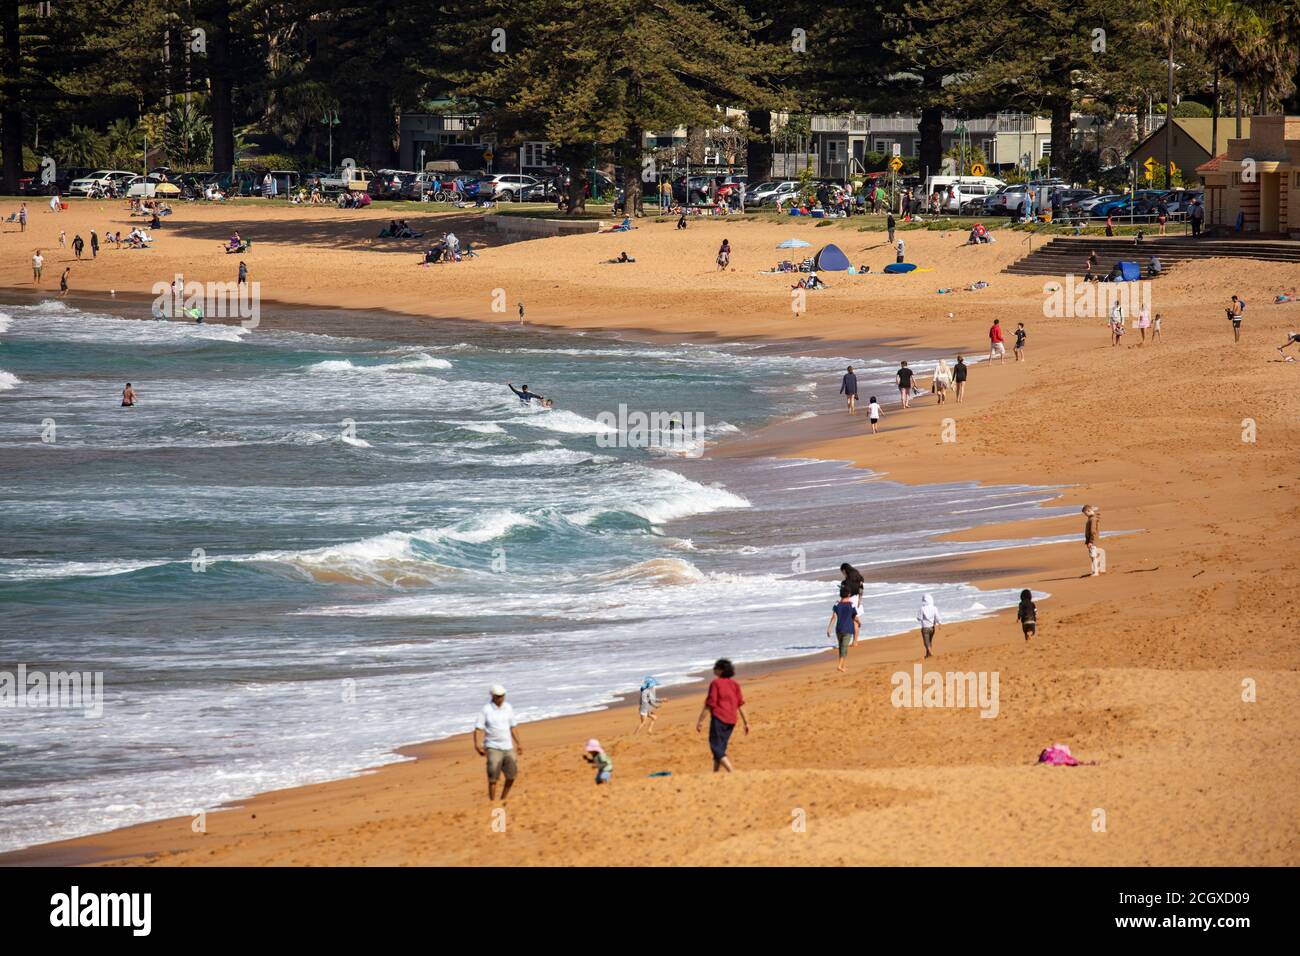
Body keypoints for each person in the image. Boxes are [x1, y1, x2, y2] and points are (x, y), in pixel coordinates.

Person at [696, 658, 748, 772]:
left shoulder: (715, 683)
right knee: (721, 747)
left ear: (721, 670)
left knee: (715, 746)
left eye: (716, 667)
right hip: (731, 720)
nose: (713, 669)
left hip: (719, 719)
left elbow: (710, 703)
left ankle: (731, 770)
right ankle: (715, 773)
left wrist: (700, 721)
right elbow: (740, 704)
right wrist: (746, 722)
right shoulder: (735, 684)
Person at [473, 684, 522, 801]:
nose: (501, 698)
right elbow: (478, 729)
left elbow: (513, 727)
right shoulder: (486, 710)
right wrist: (477, 745)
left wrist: (519, 743)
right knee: (493, 776)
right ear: (493, 696)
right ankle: (492, 801)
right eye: (498, 696)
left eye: (502, 696)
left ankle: (503, 798)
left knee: (512, 775)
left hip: (508, 746)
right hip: (492, 746)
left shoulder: (508, 707)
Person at [826, 583, 860, 673]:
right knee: (844, 648)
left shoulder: (837, 604)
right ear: (849, 594)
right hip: (847, 629)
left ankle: (842, 665)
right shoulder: (851, 605)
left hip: (838, 629)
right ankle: (840, 666)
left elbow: (833, 617)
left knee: (841, 647)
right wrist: (859, 622)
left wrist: (829, 628)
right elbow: (854, 617)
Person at [917, 593, 941, 658]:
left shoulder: (922, 608)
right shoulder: (934, 608)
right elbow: (937, 617)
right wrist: (939, 623)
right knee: (929, 642)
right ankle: (928, 655)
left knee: (926, 643)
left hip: (925, 628)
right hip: (932, 628)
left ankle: (931, 653)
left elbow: (919, 618)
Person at [1083, 505, 1102, 576]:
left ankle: (1096, 572)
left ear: (1089, 511)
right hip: (1092, 540)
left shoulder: (1092, 519)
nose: (1085, 515)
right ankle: (1096, 570)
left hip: (1092, 541)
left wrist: (1090, 542)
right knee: (1093, 555)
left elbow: (1093, 531)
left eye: (1085, 513)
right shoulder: (1091, 518)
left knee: (1093, 556)